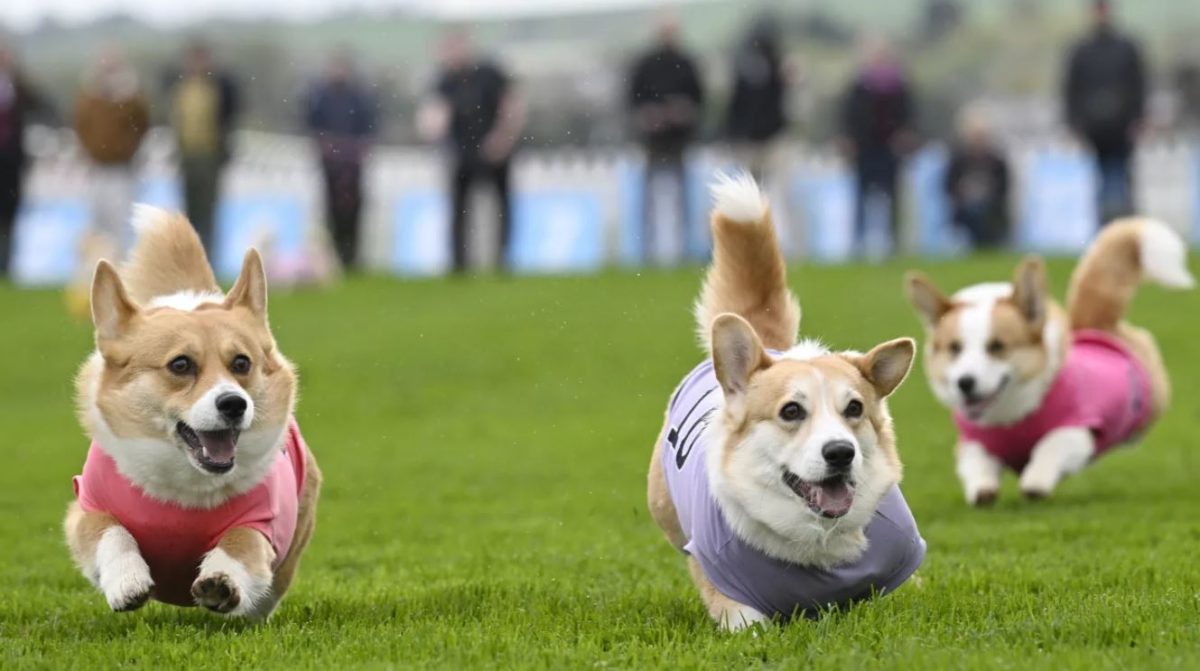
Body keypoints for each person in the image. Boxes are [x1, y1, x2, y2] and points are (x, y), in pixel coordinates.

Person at [419, 29, 523, 274]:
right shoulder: (444, 80)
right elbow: (433, 115)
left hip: (495, 151)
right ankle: (459, 265)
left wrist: (502, 139)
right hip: (461, 154)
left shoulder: (491, 74)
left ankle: (503, 261)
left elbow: (512, 106)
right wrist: (433, 130)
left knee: (502, 208)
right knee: (459, 210)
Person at [628, 14, 705, 265]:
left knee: (683, 198)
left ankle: (684, 249)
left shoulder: (686, 63)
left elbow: (699, 99)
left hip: (679, 140)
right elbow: (633, 100)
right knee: (649, 198)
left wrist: (683, 112)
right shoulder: (646, 64)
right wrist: (648, 115)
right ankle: (647, 251)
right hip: (653, 141)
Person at [1063, 0, 1147, 226]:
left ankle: (1123, 228)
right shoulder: (1081, 51)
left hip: (1121, 129)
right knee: (1102, 181)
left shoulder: (1127, 48)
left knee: (1120, 179)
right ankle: (1107, 229)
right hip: (1095, 130)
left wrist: (1138, 118)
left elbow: (1139, 85)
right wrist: (1075, 123)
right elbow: (1071, 90)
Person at [839, 37, 915, 256]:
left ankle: (894, 243)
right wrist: (849, 139)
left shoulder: (899, 86)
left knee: (893, 197)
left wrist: (905, 135)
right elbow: (849, 116)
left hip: (890, 148)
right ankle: (859, 243)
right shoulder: (858, 85)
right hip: (865, 148)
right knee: (861, 197)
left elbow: (908, 116)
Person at [164, 40, 240, 254]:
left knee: (209, 212)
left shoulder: (218, 86)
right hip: (187, 156)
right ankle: (191, 257)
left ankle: (208, 257)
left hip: (210, 157)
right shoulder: (180, 87)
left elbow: (230, 115)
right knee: (188, 212)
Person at [74, 45, 150, 256]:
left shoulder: (130, 96)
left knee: (122, 226)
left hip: (121, 169)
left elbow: (141, 125)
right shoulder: (89, 96)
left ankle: (122, 275)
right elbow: (81, 126)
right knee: (98, 224)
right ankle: (98, 272)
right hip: (97, 168)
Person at [304, 50, 377, 270]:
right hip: (330, 165)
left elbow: (370, 126)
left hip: (353, 165)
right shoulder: (320, 96)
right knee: (331, 210)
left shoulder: (359, 96)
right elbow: (311, 125)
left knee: (354, 211)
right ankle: (333, 258)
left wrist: (359, 148)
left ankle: (352, 257)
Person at [0, 44, 53, 279]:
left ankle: (6, 266)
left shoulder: (18, 87)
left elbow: (43, 105)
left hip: (12, 165)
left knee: (10, 217)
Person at [724, 16, 788, 182]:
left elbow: (736, 103)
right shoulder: (775, 67)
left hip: (760, 137)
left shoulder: (747, 67)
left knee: (750, 190)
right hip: (762, 136)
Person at [943, 105, 1010, 249]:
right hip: (965, 212)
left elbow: (1004, 190)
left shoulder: (997, 162)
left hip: (991, 211)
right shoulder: (958, 160)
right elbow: (948, 187)